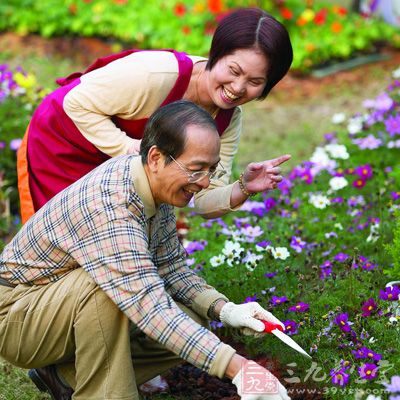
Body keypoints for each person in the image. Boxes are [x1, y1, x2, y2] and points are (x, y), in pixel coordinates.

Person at [1, 101, 290, 400]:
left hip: (56, 307)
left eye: (210, 170)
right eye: (196, 169)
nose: (204, 182)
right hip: (17, 319)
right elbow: (147, 304)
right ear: (155, 157)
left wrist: (226, 309)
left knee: (193, 317)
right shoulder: (111, 206)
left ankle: (66, 377)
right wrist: (239, 369)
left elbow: (170, 268)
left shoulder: (150, 183)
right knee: (106, 288)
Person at [17, 7, 293, 223]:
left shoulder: (228, 120)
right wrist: (132, 152)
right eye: (233, 71)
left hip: (119, 164)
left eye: (255, 82)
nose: (237, 88)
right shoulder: (156, 75)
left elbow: (205, 199)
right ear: (216, 54)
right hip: (64, 140)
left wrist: (243, 187)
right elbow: (75, 103)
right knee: (59, 239)